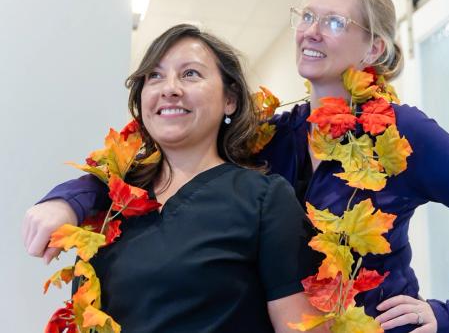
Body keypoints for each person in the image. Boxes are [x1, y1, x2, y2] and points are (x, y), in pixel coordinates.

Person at [24, 0, 449, 333]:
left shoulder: (404, 134)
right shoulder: (271, 133)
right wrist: (68, 199)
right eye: (307, 16)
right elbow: (142, 156)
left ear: (374, 49)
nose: (311, 31)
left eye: (335, 23)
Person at [26, 24, 323, 333]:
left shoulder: (264, 199)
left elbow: (302, 327)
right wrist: (62, 202)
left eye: (190, 74)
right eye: (154, 75)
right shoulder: (114, 197)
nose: (169, 88)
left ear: (230, 99)